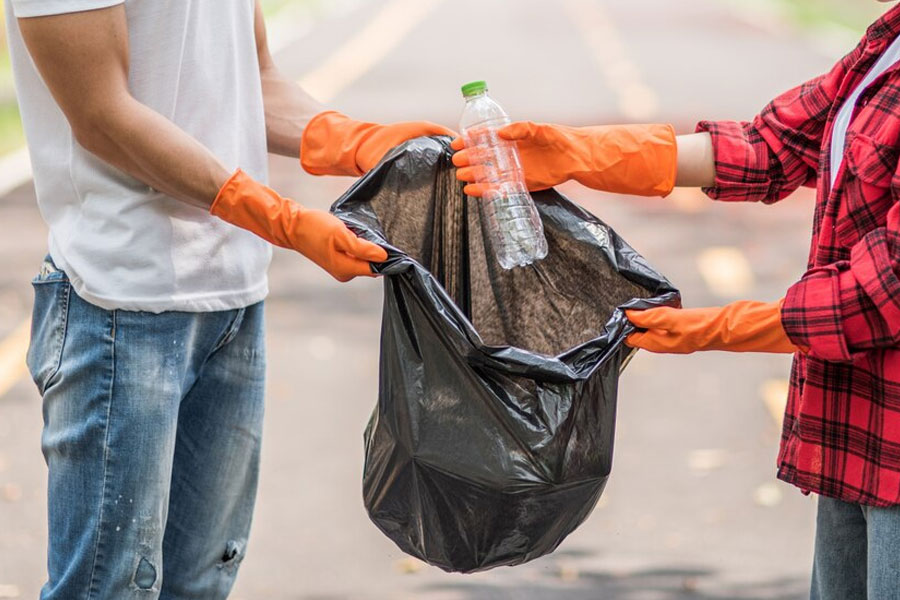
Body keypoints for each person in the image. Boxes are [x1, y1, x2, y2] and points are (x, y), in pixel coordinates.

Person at [4, 0, 452, 597]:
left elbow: (254, 79)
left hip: (231, 298)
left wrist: (355, 141)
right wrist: (283, 220)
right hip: (121, 303)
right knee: (108, 588)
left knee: (200, 583)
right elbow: (102, 115)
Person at [452, 2, 900, 598]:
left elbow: (878, 296)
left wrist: (712, 329)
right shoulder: (887, 41)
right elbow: (772, 146)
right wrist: (580, 154)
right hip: (855, 433)